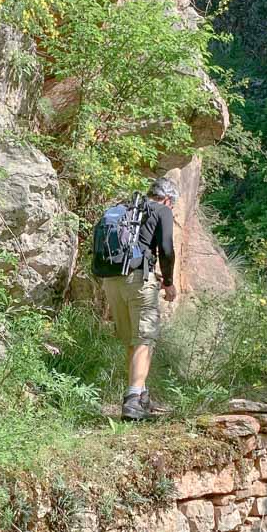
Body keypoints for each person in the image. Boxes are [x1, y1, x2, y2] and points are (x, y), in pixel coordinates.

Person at [102, 176, 178, 422]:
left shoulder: (125, 208)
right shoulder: (162, 210)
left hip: (111, 280)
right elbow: (166, 249)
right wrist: (168, 283)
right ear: (167, 199)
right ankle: (133, 400)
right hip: (138, 280)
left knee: (132, 340)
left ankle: (142, 396)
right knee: (144, 338)